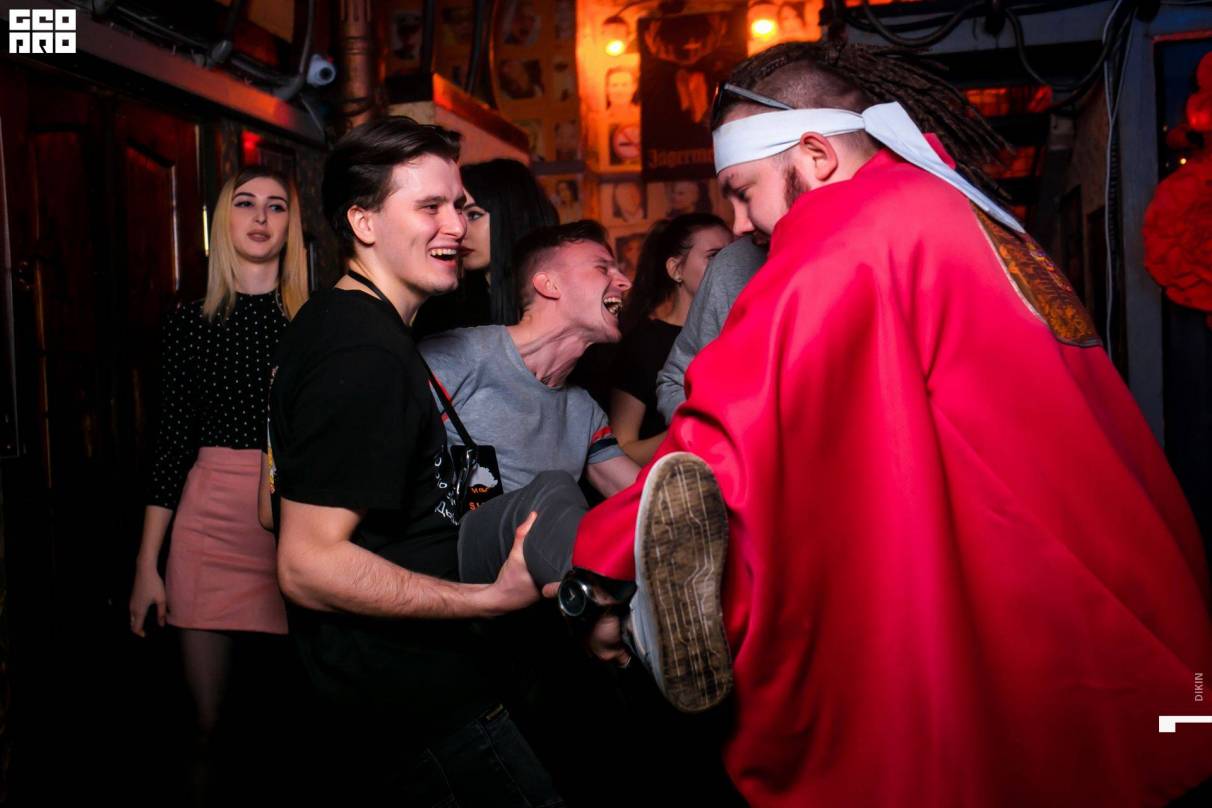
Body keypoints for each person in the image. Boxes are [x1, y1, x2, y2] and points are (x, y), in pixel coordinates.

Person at [568, 41, 1212, 805]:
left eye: (743, 192)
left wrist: (599, 561)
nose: (740, 224)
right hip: (1130, 590)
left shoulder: (853, 227)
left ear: (815, 156)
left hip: (1040, 586)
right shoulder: (953, 209)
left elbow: (738, 418)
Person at [268, 117, 562, 805]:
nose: (456, 226)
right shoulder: (364, 351)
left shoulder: (329, 320)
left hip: (385, 695)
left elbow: (269, 502)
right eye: (429, 207)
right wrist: (486, 599)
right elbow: (305, 565)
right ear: (363, 221)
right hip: (420, 702)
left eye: (458, 205)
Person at [128, 166, 309, 792]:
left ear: (291, 225)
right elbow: (171, 445)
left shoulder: (314, 323)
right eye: (245, 203)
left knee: (285, 732)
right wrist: (146, 566)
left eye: (276, 206)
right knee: (205, 729)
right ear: (222, 221)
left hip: (293, 526)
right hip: (206, 526)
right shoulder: (189, 324)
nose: (260, 217)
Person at [420, 220, 639, 499]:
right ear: (549, 285)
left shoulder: (583, 412)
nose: (625, 282)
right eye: (602, 268)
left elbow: (646, 497)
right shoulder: (459, 356)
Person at [610, 214, 730, 465]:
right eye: (714, 256)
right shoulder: (645, 343)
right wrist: (691, 430)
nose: (727, 266)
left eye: (732, 255)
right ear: (676, 270)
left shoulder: (736, 333)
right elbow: (623, 450)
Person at [412, 159, 558, 338]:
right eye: (458, 214)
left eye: (474, 215)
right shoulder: (442, 309)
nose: (460, 229)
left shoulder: (560, 300)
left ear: (514, 217)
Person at [653, 234, 767, 423]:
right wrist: (708, 433)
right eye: (713, 255)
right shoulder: (735, 262)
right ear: (675, 269)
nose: (739, 227)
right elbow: (674, 381)